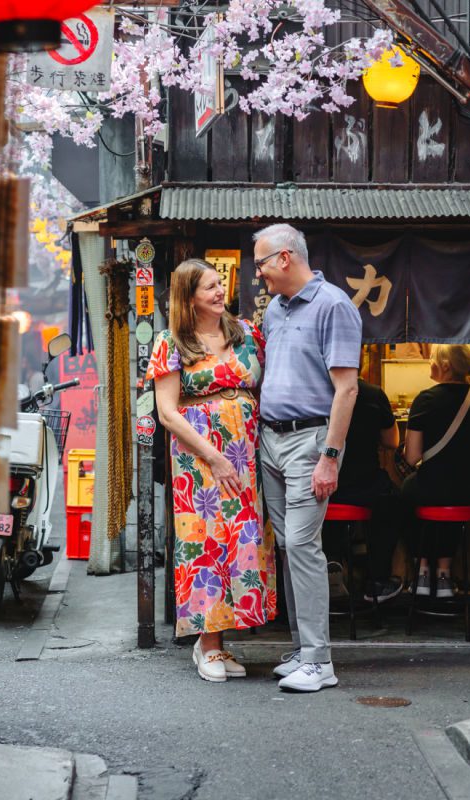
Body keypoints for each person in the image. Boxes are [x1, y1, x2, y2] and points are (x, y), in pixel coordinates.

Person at [147, 259, 275, 683]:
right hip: (199, 461)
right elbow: (167, 412)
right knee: (205, 543)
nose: (220, 292)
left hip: (245, 455)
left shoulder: (246, 334)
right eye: (209, 287)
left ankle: (223, 639)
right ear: (188, 297)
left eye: (221, 284)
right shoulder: (171, 342)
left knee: (241, 541)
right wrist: (214, 457)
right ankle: (207, 644)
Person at [254, 224, 361, 693]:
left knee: (302, 545)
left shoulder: (334, 304)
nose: (258, 275)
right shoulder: (274, 310)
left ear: (283, 258)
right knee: (286, 546)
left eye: (260, 263)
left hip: (308, 441)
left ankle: (320, 660)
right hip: (269, 439)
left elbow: (347, 388)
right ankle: (303, 647)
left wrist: (330, 457)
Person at [401, 344, 470, 599]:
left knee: (404, 497)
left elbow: (412, 457)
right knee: (453, 496)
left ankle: (421, 570)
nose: (429, 362)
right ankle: (444, 574)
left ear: (445, 365)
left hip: (432, 486)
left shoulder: (426, 399)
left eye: (432, 358)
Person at [326, 377, 402, 604]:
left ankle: (332, 557)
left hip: (323, 485)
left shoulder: (313, 390)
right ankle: (377, 580)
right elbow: (392, 441)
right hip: (364, 484)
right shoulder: (372, 393)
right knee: (393, 501)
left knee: (320, 503)